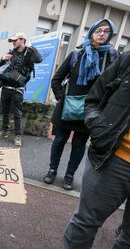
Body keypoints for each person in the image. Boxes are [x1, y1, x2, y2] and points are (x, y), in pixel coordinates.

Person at [56, 50, 130, 249]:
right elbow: (93, 98)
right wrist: (98, 129)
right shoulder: (126, 59)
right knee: (88, 218)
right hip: (115, 157)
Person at [44, 19, 117, 190]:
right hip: (67, 107)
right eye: (98, 30)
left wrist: (104, 107)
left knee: (78, 145)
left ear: (110, 35)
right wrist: (63, 98)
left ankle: (69, 176)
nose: (101, 34)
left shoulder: (113, 57)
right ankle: (52, 170)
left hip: (90, 111)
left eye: (106, 31)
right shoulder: (77, 54)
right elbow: (56, 79)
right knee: (59, 140)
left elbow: (114, 86)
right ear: (91, 32)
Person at [0, 32, 42, 146]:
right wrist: (2, 58)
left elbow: (39, 59)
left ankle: (18, 136)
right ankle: (4, 132)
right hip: (6, 87)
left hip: (18, 88)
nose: (13, 42)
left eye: (15, 40)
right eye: (12, 41)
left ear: (22, 40)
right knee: (4, 111)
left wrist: (30, 47)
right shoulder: (11, 53)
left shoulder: (29, 53)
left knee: (17, 113)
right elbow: (1, 68)